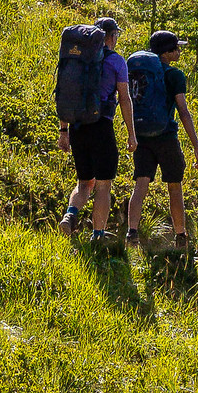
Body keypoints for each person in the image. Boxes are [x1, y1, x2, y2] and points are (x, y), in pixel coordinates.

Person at [58, 14, 135, 247]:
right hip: (101, 126)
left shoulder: (77, 58)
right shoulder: (116, 62)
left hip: (77, 125)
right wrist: (132, 134)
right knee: (103, 184)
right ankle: (98, 236)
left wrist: (63, 131)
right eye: (116, 35)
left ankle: (70, 215)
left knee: (84, 183)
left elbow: (64, 91)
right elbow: (124, 99)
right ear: (110, 37)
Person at [125, 28, 198, 250]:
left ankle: (132, 233)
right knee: (174, 186)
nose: (179, 52)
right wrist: (196, 147)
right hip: (166, 135)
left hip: (141, 134)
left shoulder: (140, 72)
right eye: (176, 48)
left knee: (141, 183)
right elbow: (183, 111)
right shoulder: (174, 75)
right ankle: (180, 236)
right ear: (167, 52)